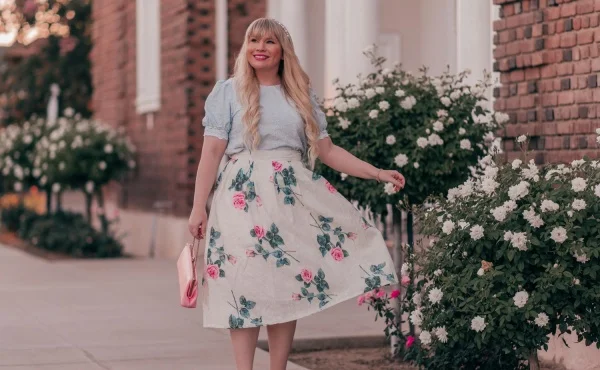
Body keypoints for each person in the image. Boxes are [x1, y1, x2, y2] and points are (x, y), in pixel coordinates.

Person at [188, 18, 405, 370]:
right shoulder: (227, 92)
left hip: (288, 199)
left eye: (269, 41)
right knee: (242, 285)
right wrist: (199, 207)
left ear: (282, 51)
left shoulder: (299, 95)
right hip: (239, 200)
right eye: (254, 40)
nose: (260, 47)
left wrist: (377, 172)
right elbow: (211, 153)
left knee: (284, 285)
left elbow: (329, 152)